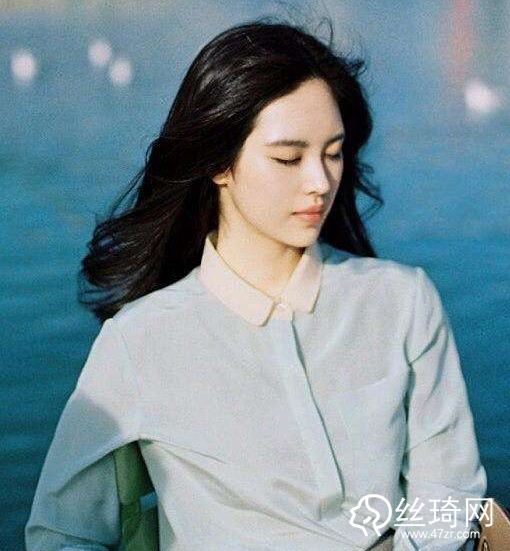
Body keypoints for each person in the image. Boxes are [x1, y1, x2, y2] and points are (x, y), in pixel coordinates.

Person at [25, 17, 487, 551]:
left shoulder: (402, 302)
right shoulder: (140, 341)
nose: (320, 182)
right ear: (220, 163)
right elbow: (62, 534)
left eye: (333, 153)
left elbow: (450, 498)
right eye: (288, 158)